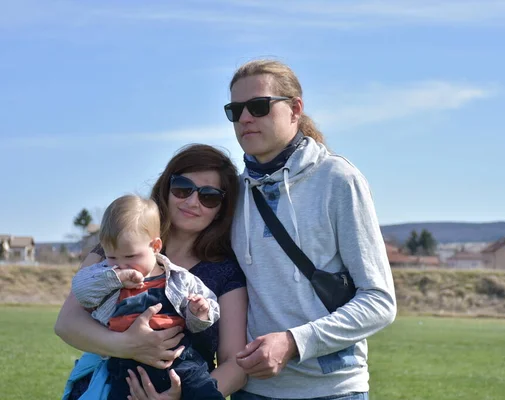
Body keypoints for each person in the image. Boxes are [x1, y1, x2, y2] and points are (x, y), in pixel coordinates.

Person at [221, 59, 397, 399]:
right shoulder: (232, 192)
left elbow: (379, 301)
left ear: (295, 109)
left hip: (333, 390)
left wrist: (292, 342)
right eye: (235, 110)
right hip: (252, 389)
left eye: (258, 106)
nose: (245, 118)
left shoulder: (338, 179)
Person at [55, 144, 248, 399]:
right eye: (182, 188)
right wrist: (127, 346)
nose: (192, 201)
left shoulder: (226, 272)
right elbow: (67, 323)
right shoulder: (116, 250)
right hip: (104, 389)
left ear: (221, 208)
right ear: (166, 188)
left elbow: (235, 365)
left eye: (209, 196)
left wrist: (179, 398)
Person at [67, 194, 224, 400]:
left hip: (179, 359)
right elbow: (81, 290)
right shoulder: (106, 274)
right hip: (126, 364)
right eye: (112, 257)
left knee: (206, 392)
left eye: (130, 257)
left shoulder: (178, 278)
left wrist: (199, 313)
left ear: (155, 246)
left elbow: (207, 314)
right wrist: (114, 279)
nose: (121, 264)